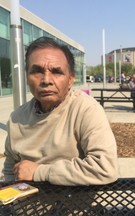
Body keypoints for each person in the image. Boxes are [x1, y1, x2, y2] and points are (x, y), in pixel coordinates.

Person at [1, 37, 119, 186]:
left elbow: (105, 168)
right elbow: (10, 170)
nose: (46, 80)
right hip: (24, 206)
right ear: (27, 77)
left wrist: (39, 172)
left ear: (70, 79)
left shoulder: (86, 110)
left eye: (57, 72)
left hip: (73, 207)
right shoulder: (17, 118)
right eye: (36, 71)